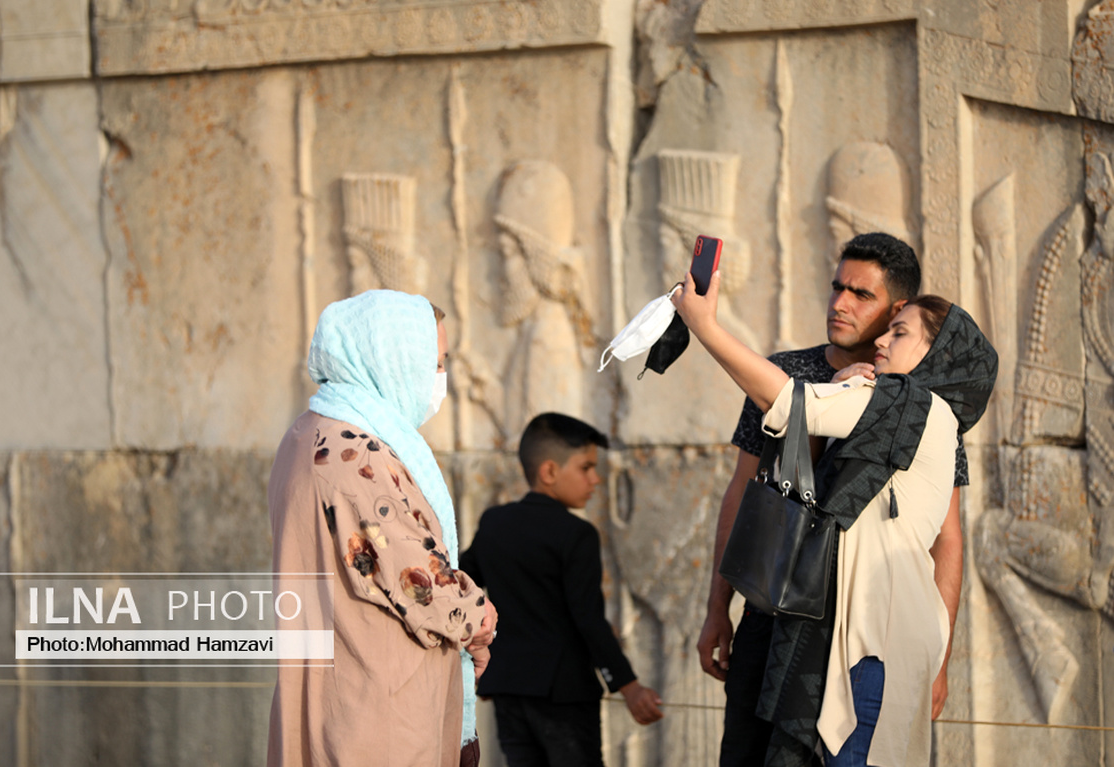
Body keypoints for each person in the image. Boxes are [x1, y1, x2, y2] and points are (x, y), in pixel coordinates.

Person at [673, 273, 997, 765]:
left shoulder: (913, 403)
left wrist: (706, 325)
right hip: (873, 636)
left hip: (871, 641)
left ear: (940, 356)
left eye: (901, 332)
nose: (882, 340)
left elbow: (787, 402)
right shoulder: (911, 412)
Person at [267, 290, 496, 767]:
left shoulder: (307, 433)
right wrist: (479, 618)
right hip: (378, 704)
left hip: (335, 686)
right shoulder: (354, 454)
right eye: (433, 364)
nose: (440, 378)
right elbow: (418, 581)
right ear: (388, 362)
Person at [458, 413, 664, 766]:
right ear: (549, 472)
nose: (596, 479)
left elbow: (462, 586)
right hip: (564, 695)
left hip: (509, 690)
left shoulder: (494, 524)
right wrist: (628, 685)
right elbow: (588, 619)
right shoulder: (576, 534)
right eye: (586, 468)